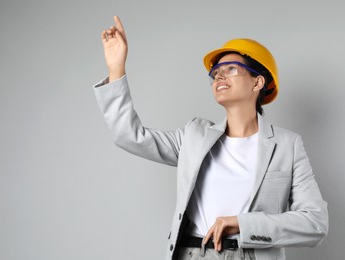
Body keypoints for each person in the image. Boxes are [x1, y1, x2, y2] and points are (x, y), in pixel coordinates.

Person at [93, 16, 328, 260]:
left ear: (257, 82)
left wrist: (243, 224)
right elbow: (129, 136)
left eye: (231, 69)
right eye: (215, 72)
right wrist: (116, 70)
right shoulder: (194, 137)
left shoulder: (287, 145)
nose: (219, 76)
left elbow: (316, 222)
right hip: (193, 254)